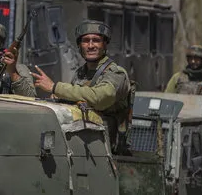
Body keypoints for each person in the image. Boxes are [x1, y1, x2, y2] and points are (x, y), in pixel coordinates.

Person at [31, 19, 132, 153]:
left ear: (105, 44)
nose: (91, 45)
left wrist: (56, 88)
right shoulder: (81, 73)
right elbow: (77, 98)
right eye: (85, 41)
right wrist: (59, 98)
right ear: (79, 46)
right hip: (82, 143)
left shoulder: (116, 73)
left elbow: (99, 98)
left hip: (108, 150)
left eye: (96, 40)